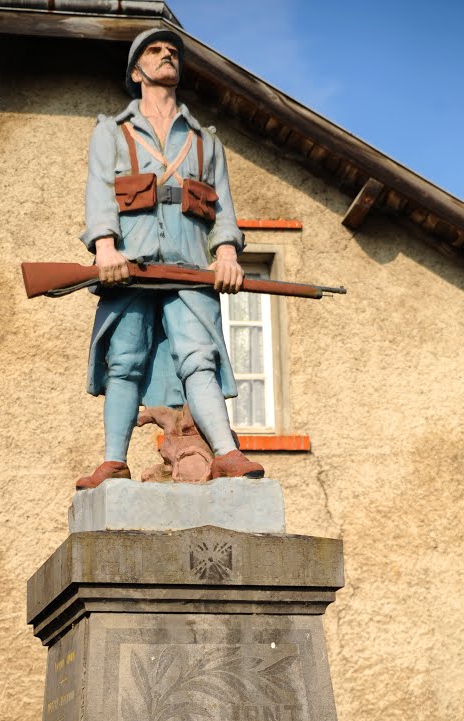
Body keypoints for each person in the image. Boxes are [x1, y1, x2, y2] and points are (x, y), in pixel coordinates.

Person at [76, 27, 265, 489]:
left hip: (189, 266)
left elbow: (223, 209)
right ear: (137, 70)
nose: (167, 56)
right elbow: (101, 194)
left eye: (172, 52)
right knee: (124, 359)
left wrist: (225, 254)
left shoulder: (205, 141)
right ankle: (113, 461)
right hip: (130, 266)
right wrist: (105, 247)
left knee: (198, 356)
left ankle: (226, 453)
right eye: (155, 51)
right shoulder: (112, 132)